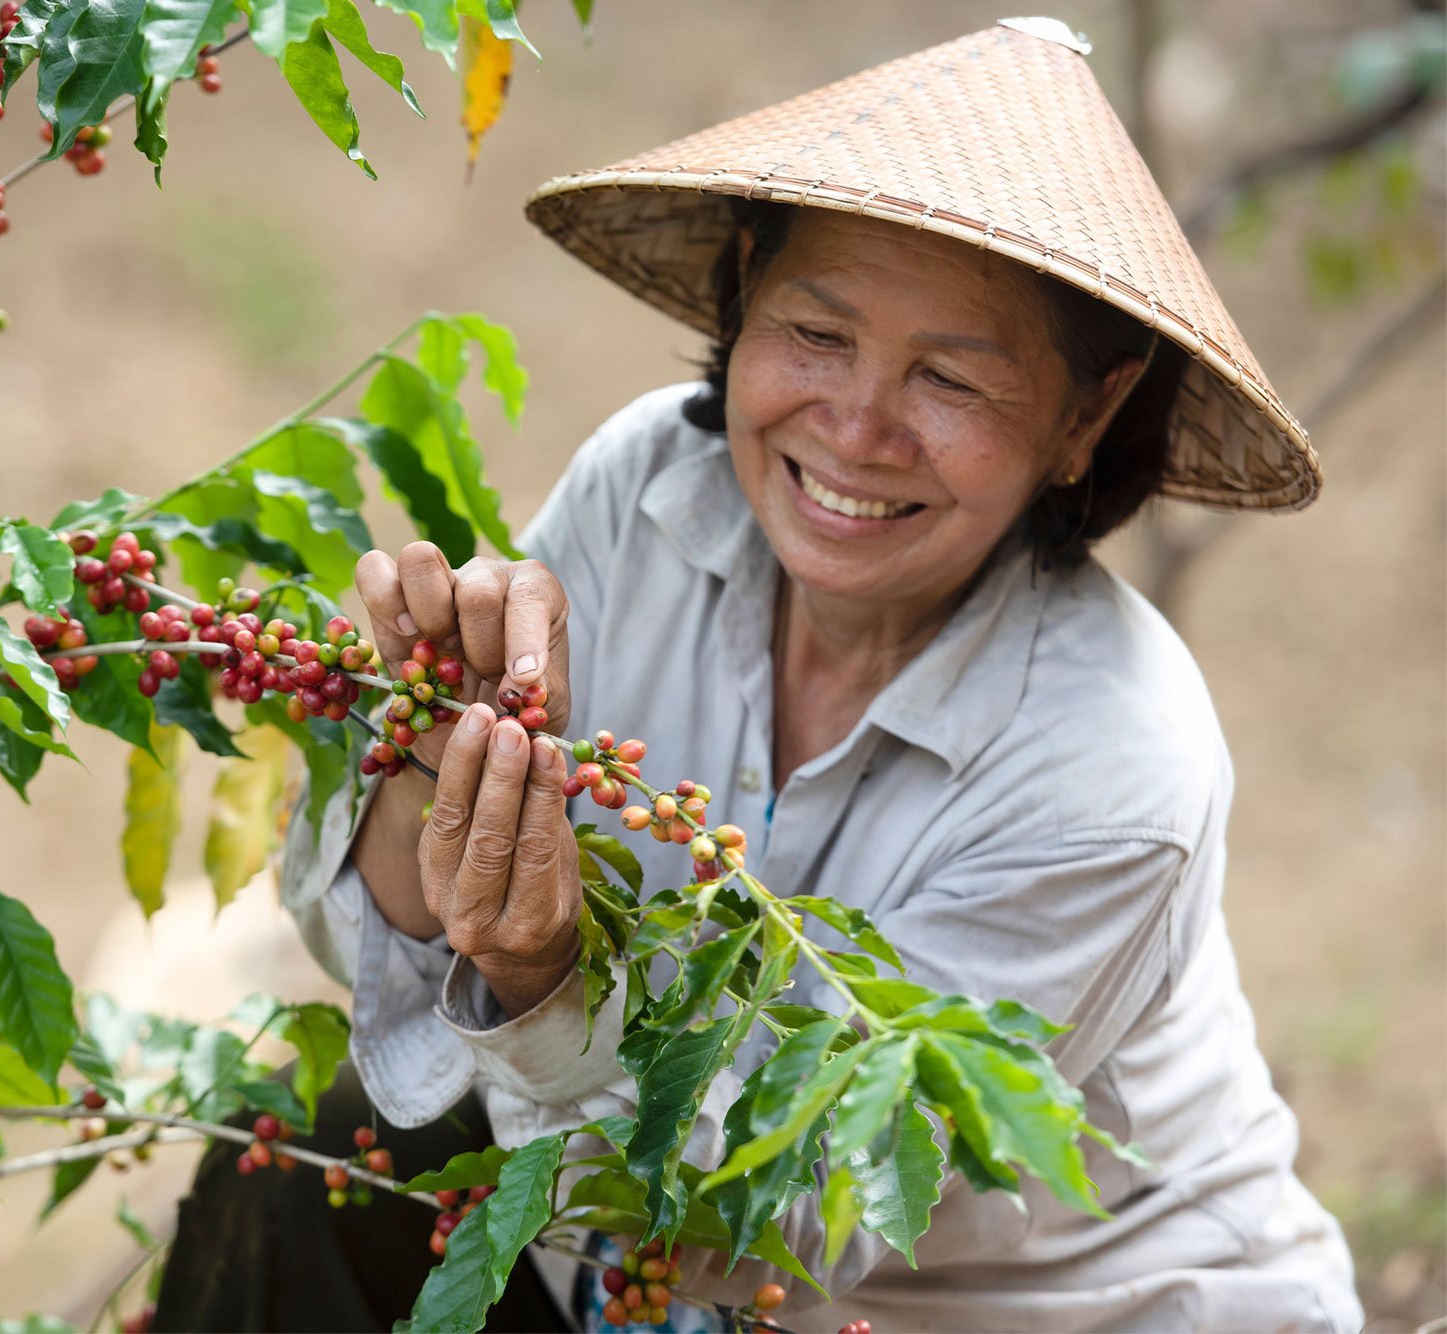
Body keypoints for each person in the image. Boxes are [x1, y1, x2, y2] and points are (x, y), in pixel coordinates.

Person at [160, 19, 1363, 1332]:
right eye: (817, 333)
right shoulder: (648, 499)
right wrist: (422, 795)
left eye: (949, 378)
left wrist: (551, 979)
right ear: (743, 290)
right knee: (303, 1157)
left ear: (1085, 416)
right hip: (644, 1269)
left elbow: (810, 1203)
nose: (855, 429)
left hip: (1001, 1312)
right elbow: (379, 968)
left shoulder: (1111, 767)